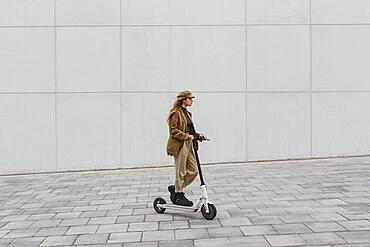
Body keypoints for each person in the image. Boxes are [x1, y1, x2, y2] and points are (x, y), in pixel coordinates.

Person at [166, 91, 204, 207]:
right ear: (183, 100)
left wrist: (198, 136)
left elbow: (190, 131)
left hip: (189, 144)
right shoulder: (175, 113)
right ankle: (179, 194)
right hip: (180, 144)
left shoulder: (188, 114)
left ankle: (176, 188)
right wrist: (186, 136)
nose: (191, 100)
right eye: (190, 98)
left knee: (194, 170)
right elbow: (173, 131)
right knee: (180, 170)